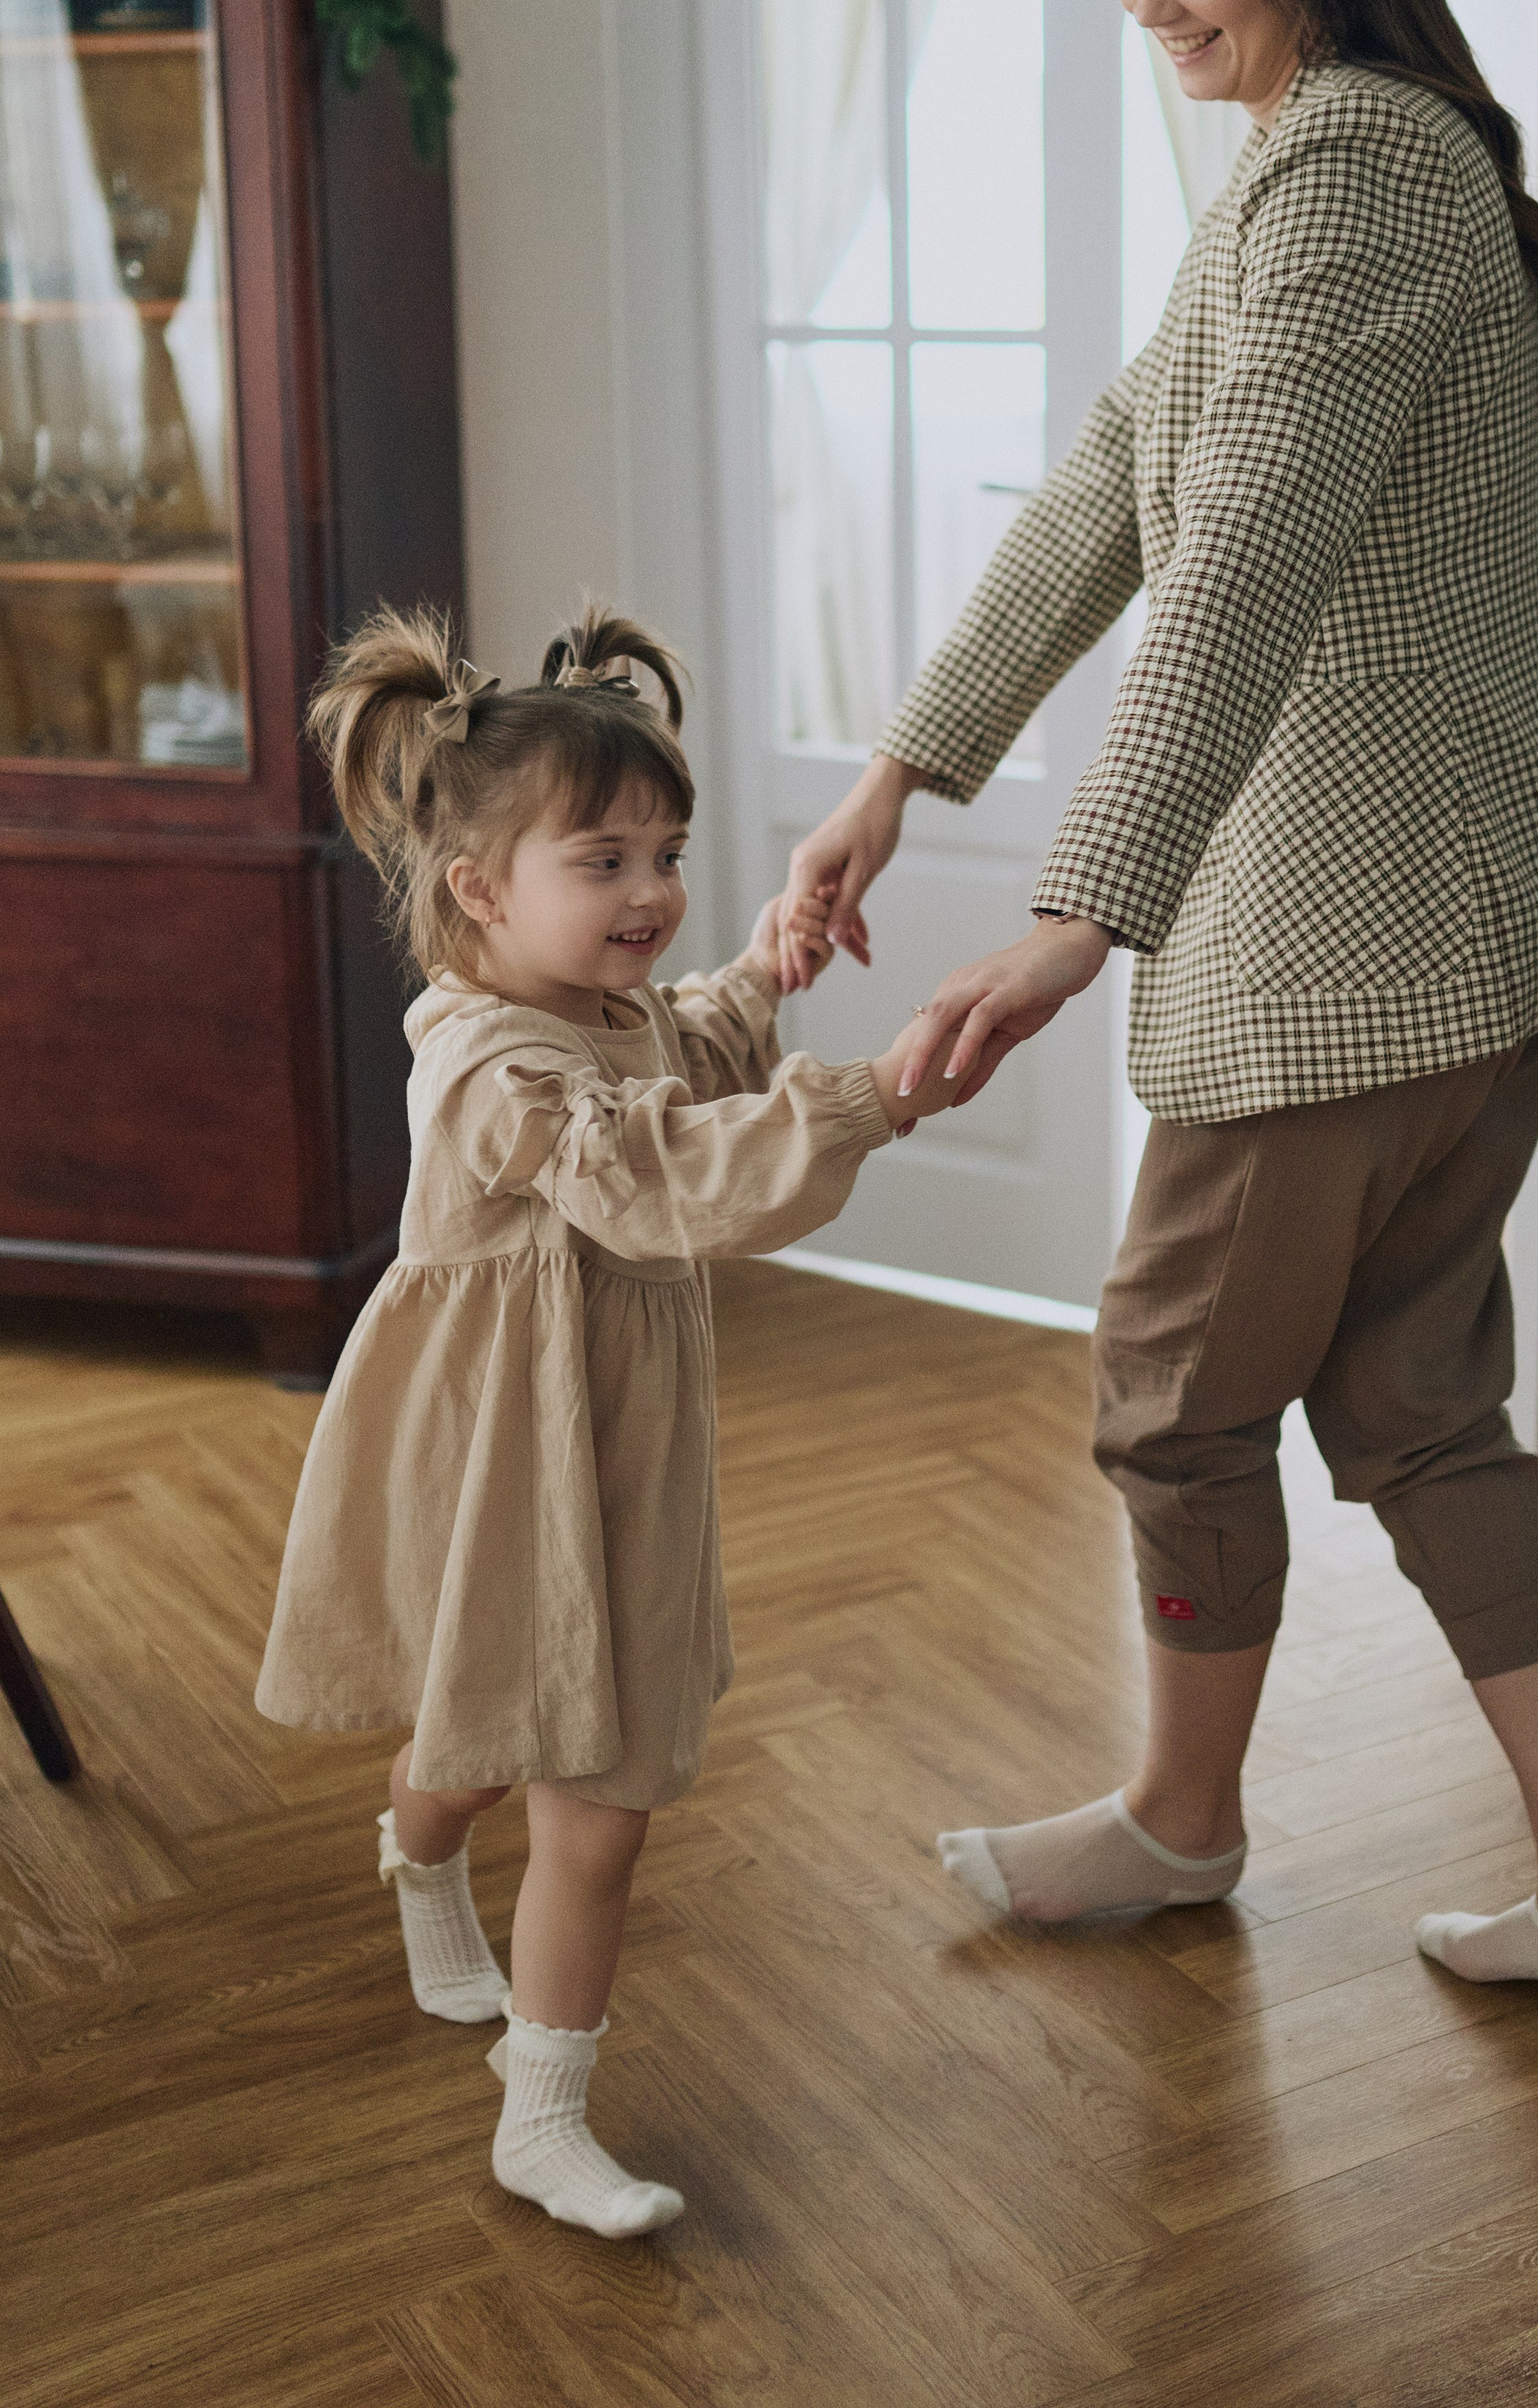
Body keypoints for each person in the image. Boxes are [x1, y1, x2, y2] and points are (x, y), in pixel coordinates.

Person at [779, 0, 1538, 2019]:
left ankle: (1187, 1825)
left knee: (1175, 1396)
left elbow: (1253, 558)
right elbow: (1113, 485)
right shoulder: (1323, 163)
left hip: (1365, 942)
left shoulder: (1360, 174)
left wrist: (1087, 908)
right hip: (1475, 930)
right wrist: (907, 765)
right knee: (1412, 1402)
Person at [257, 605, 959, 2238]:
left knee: (600, 1780)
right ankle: (421, 1857)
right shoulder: (492, 1071)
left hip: (621, 1452)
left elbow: (687, 1047)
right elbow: (650, 1172)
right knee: (483, 1739)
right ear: (479, 891)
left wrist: (772, 958)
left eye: (669, 851)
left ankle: (541, 2107)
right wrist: (870, 1099)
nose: (651, 892)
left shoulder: (611, 1008)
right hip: (503, 1448)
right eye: (605, 859)